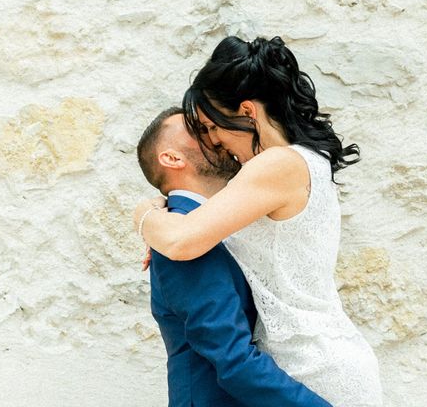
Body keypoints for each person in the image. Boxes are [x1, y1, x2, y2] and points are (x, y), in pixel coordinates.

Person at [134, 36, 383, 406]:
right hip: (306, 365)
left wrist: (144, 214)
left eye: (212, 126)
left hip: (311, 371)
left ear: (248, 113)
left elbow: (181, 241)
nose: (215, 141)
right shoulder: (293, 163)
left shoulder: (277, 165)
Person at [135, 106, 332, 407]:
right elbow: (233, 359)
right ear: (172, 158)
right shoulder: (180, 239)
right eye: (200, 131)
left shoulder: (204, 226)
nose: (214, 136)